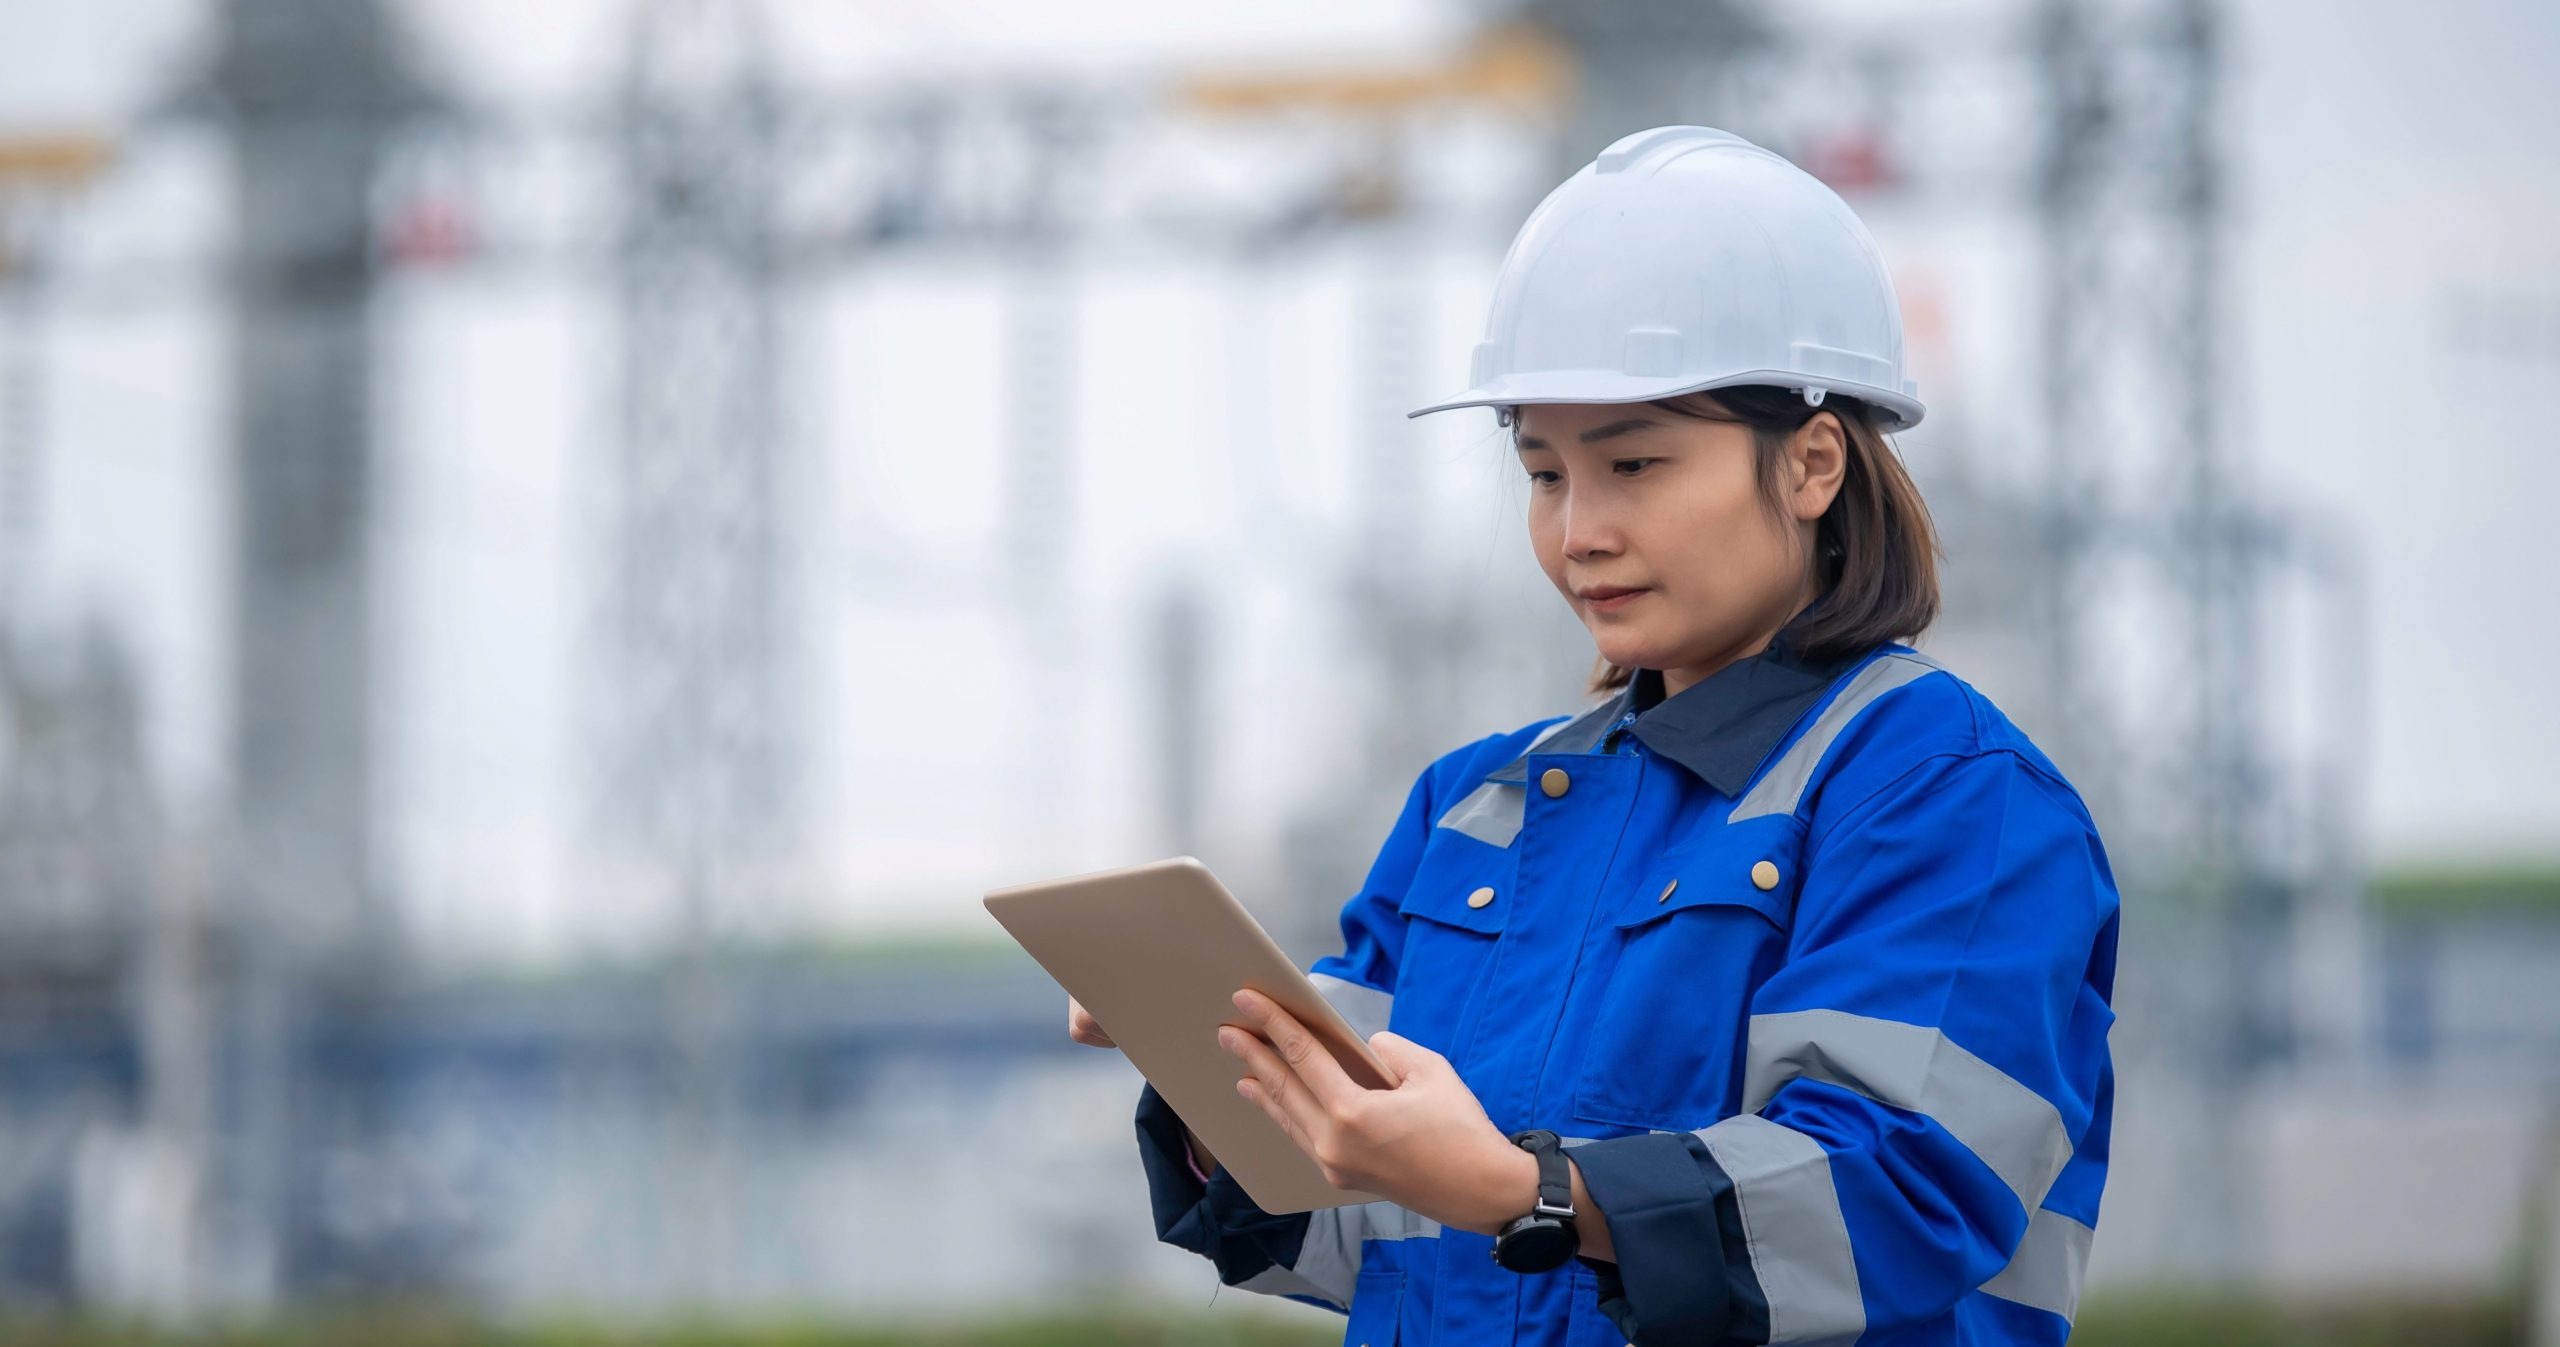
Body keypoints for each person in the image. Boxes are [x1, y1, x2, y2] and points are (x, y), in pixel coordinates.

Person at [1068, 125, 2118, 1347]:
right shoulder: (1474, 809)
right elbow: (1378, 1236)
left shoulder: (1940, 794)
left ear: (1815, 464)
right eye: (1545, 473)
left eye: (1634, 463)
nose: (1581, 531)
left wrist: (1533, 1192)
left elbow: (1898, 1197)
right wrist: (1229, 1093)